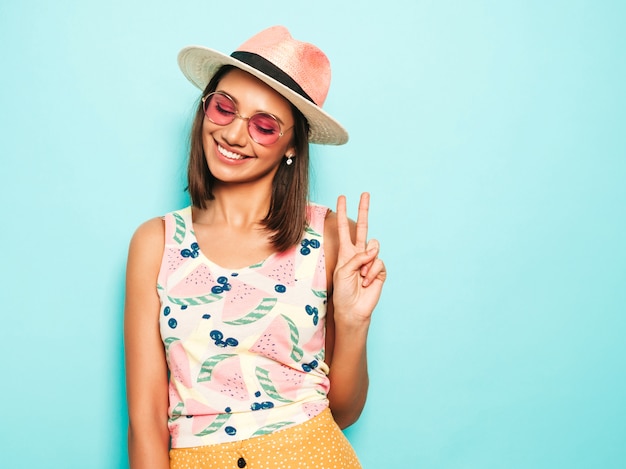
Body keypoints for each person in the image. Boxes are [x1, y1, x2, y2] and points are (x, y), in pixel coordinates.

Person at [124, 25, 386, 469]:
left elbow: (343, 411)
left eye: (264, 125)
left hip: (312, 454)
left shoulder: (330, 236)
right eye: (224, 108)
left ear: (291, 146)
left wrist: (353, 322)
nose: (234, 134)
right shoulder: (156, 242)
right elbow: (146, 420)